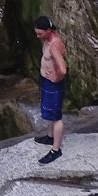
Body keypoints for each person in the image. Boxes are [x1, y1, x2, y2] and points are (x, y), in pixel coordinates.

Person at [32, 15, 67, 164]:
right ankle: (50, 136)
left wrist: (56, 78)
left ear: (48, 30)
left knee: (56, 116)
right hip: (47, 81)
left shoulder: (54, 45)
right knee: (51, 114)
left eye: (40, 33)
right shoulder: (47, 39)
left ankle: (56, 150)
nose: (37, 36)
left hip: (53, 84)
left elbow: (63, 69)